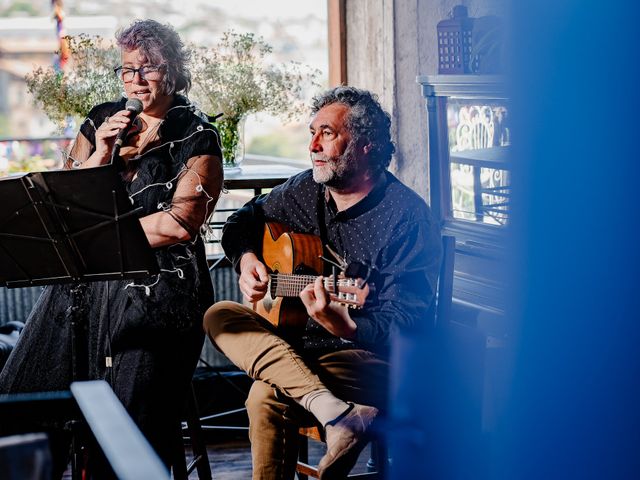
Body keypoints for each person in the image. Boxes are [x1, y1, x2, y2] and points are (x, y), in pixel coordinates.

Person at [0, 19, 223, 475]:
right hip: (92, 274)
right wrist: (100, 155)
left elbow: (181, 223)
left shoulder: (198, 135)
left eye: (148, 68)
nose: (136, 79)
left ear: (174, 70)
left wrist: (107, 235)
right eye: (127, 69)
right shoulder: (101, 120)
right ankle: (27, 462)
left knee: (132, 401)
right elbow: (61, 204)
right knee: (28, 384)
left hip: (163, 282)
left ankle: (124, 461)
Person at [203, 86, 441, 479]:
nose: (312, 145)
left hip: (371, 358)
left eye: (327, 133)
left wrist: (347, 325)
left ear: (365, 145)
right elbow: (241, 220)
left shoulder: (407, 218)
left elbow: (409, 322)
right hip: (298, 345)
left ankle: (336, 414)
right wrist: (247, 260)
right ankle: (340, 416)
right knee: (220, 314)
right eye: (311, 133)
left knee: (266, 393)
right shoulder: (305, 189)